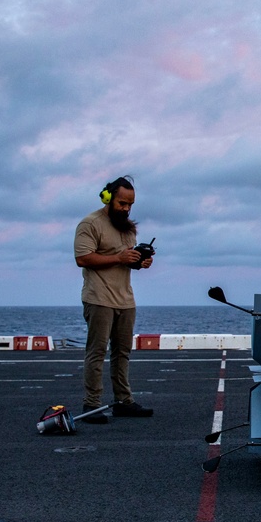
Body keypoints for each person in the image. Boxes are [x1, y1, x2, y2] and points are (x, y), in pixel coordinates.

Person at [73, 176, 155, 423]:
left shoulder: (128, 227)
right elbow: (83, 258)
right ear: (107, 197)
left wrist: (141, 262)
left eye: (130, 204)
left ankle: (123, 401)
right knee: (97, 352)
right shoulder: (90, 223)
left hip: (125, 300)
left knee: (123, 353)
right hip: (99, 298)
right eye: (122, 203)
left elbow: (125, 260)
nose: (126, 209)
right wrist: (119, 258)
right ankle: (92, 405)